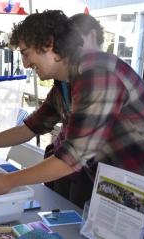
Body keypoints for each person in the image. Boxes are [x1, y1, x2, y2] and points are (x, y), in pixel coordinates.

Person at [0, 10, 144, 238]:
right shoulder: (65, 83)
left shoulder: (97, 72)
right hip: (109, 180)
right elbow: (29, 128)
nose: (25, 63)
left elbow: (71, 159)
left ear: (48, 44)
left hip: (139, 182)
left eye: (25, 53)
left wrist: (9, 181)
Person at [43, 13, 105, 207]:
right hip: (67, 164)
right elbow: (35, 123)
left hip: (98, 174)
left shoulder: (101, 75)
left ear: (92, 36)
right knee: (61, 212)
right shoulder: (63, 82)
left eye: (77, 40)